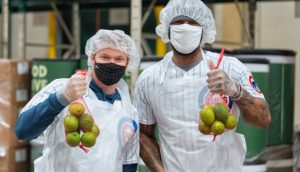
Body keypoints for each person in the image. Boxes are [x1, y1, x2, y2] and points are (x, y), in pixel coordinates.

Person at [134, 0, 271, 171]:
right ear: (167, 29)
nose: (185, 27)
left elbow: (263, 118)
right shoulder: (149, 78)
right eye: (178, 22)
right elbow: (143, 134)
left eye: (192, 22)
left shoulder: (230, 67)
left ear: (204, 29)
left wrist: (236, 91)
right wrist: (160, 170)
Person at [15, 29, 140, 172]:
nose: (112, 63)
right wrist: (60, 99)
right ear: (92, 58)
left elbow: (128, 163)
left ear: (127, 63)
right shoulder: (62, 88)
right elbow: (23, 131)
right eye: (105, 57)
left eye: (119, 59)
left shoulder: (129, 111)